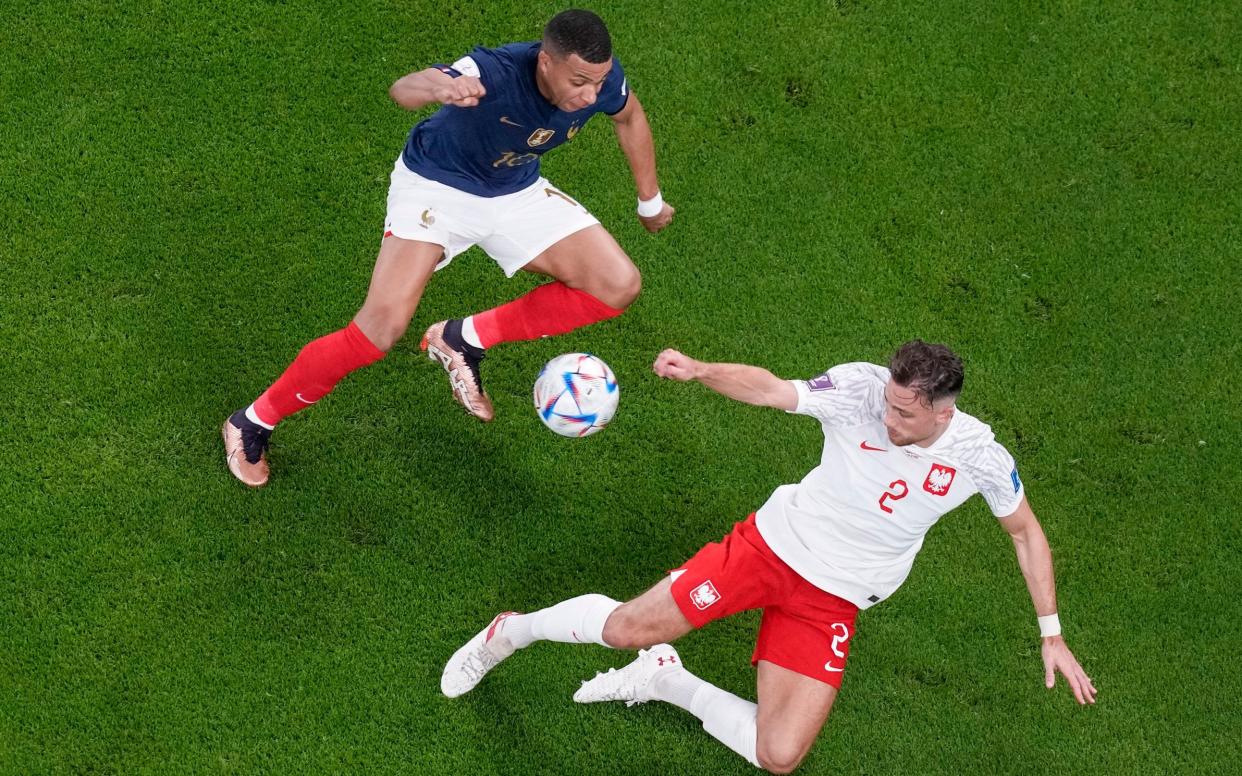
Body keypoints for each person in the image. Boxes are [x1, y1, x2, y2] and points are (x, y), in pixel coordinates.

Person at [440, 341, 1097, 773]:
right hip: (773, 548)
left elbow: (1025, 533)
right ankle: (512, 632)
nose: (887, 418)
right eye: (889, 402)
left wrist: (1051, 632)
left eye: (903, 413)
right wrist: (702, 371)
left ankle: (665, 679)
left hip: (836, 598)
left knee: (778, 755)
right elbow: (774, 390)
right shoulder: (861, 390)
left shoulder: (979, 456)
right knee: (624, 629)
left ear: (942, 410)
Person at [222, 9, 674, 486]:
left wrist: (650, 201)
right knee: (380, 329)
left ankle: (461, 339)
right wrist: (439, 88)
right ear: (546, 61)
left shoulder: (602, 82)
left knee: (617, 284)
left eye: (597, 82)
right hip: (438, 188)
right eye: (579, 81)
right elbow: (405, 89)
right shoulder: (492, 72)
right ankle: (251, 421)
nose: (590, 95)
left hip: (514, 190)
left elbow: (629, 115)